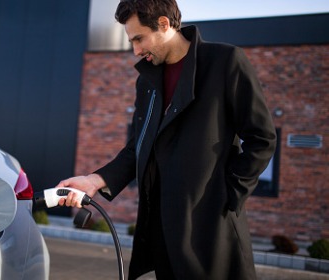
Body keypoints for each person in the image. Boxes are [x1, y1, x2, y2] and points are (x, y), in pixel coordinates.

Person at [56, 0, 277, 279]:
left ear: (164, 24)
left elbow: (262, 138)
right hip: (164, 234)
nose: (135, 50)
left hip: (212, 232)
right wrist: (95, 180)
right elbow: (138, 147)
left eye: (139, 38)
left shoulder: (224, 62)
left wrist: (229, 195)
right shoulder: (146, 81)